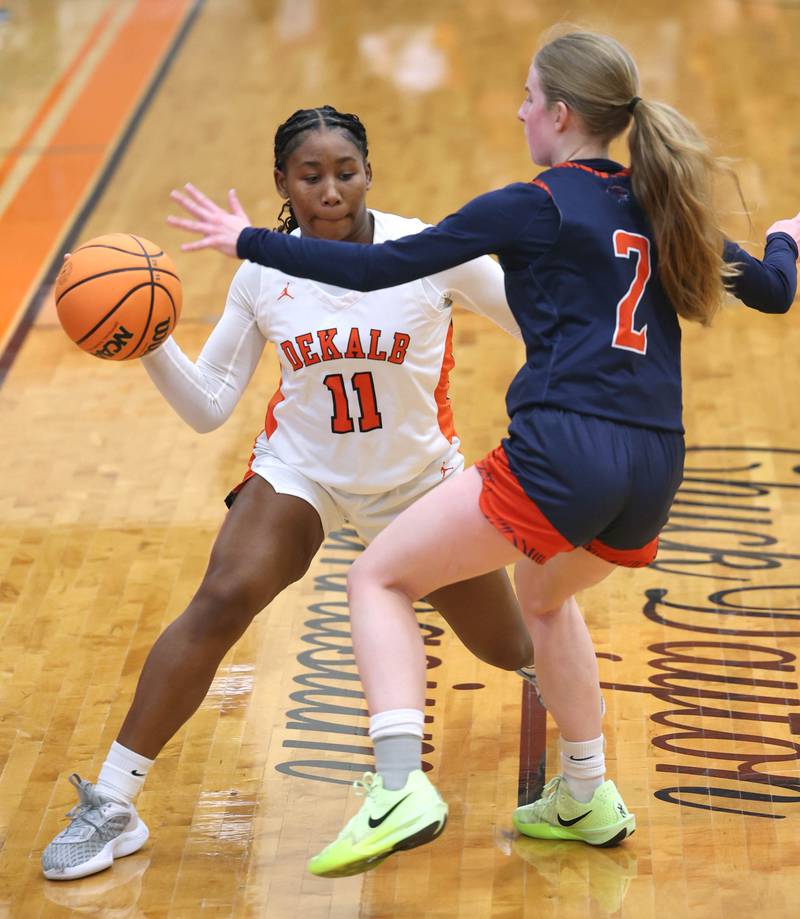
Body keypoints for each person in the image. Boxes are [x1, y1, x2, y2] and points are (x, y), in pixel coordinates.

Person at [165, 29, 800, 879]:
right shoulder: (663, 198)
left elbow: (380, 268)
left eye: (529, 97)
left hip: (566, 451)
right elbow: (772, 286)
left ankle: (398, 787)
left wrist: (248, 241)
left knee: (377, 577)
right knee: (543, 598)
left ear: (561, 113)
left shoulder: (535, 203)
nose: (518, 110)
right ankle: (585, 790)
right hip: (656, 465)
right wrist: (789, 236)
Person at [41, 105, 536, 881]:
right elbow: (210, 407)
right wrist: (153, 339)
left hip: (416, 481)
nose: (331, 190)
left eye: (346, 172)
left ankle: (584, 765)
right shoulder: (262, 273)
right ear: (283, 183)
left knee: (511, 647)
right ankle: (112, 801)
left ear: (370, 172)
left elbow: (543, 330)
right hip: (301, 472)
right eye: (311, 176)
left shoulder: (433, 253)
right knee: (223, 594)